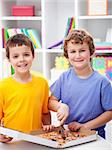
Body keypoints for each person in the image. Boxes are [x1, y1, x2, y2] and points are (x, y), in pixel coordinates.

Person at [48, 29, 112, 138]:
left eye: (82, 50)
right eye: (73, 51)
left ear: (91, 52)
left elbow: (110, 112)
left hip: (94, 136)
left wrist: (85, 127)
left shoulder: (102, 82)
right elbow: (51, 101)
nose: (77, 55)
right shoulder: (64, 78)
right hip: (68, 135)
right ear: (67, 55)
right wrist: (61, 106)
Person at [0, 34, 51, 143]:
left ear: (33, 56)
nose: (22, 59)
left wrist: (48, 130)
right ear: (9, 59)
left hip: (36, 139)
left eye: (26, 54)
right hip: (12, 141)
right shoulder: (3, 86)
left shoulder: (42, 83)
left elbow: (45, 113)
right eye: (15, 56)